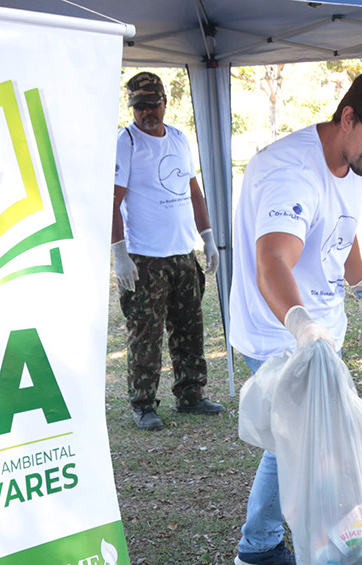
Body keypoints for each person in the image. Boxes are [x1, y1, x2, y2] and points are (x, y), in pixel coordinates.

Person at [227, 65, 362, 565]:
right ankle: (315, 547)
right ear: (348, 116)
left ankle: (262, 541)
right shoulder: (290, 172)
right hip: (280, 331)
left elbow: (344, 226)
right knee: (314, 442)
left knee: (298, 439)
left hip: (318, 328)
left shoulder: (354, 163)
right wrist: (300, 325)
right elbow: (272, 259)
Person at [112, 71, 224, 431]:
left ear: (165, 102)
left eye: (152, 104)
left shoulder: (178, 138)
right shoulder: (125, 142)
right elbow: (111, 201)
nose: (146, 112)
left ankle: (191, 394)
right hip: (145, 258)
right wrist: (119, 253)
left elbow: (193, 191)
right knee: (145, 335)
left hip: (181, 254)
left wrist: (207, 236)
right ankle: (143, 403)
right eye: (138, 106)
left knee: (190, 329)